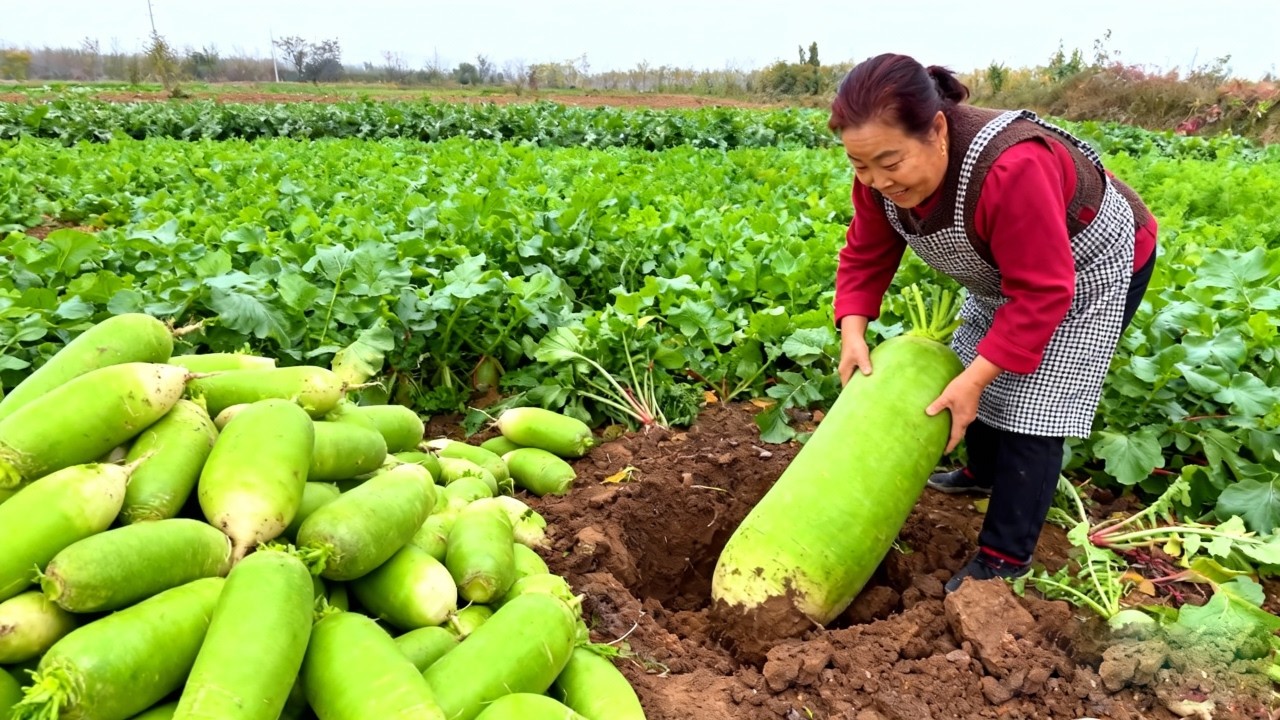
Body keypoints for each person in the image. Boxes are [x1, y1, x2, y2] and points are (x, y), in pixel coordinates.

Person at [828, 53, 1158, 594]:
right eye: (859, 165)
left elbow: (1042, 291)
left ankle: (1005, 557)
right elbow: (865, 254)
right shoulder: (876, 179)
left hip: (1089, 264)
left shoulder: (1011, 165)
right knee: (971, 356)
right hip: (1010, 269)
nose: (876, 180)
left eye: (890, 163)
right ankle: (981, 472)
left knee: (1038, 405)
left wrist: (981, 377)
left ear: (936, 130)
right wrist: (853, 331)